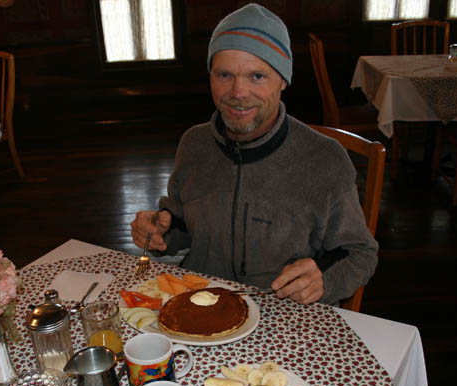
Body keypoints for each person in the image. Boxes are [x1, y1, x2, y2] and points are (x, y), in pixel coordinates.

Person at [130, 3, 378, 306]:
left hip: (284, 314)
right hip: (203, 306)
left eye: (257, 76)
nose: (238, 92)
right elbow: (180, 226)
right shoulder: (194, 144)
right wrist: (160, 231)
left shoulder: (325, 159)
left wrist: (323, 279)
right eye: (224, 75)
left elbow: (360, 254)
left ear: (283, 80)